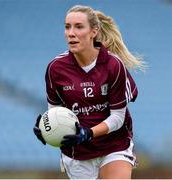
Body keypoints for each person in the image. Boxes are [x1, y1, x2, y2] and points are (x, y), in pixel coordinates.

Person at [33, 5, 145, 179]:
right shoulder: (55, 68)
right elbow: (56, 112)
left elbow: (118, 118)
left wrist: (89, 133)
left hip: (114, 144)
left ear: (94, 31)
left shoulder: (113, 65)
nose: (71, 33)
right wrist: (47, 129)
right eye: (67, 27)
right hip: (77, 153)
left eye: (78, 27)